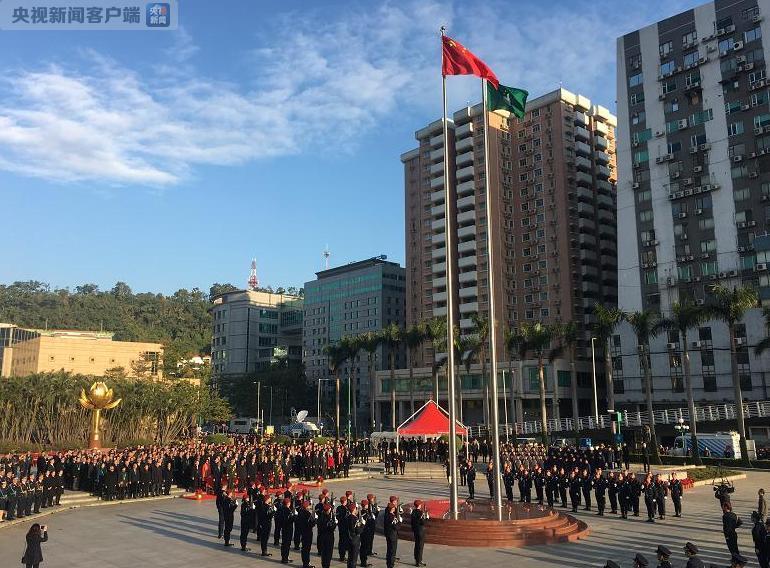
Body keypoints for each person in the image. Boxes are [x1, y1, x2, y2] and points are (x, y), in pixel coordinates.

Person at [297, 500, 316, 568]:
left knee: (304, 549)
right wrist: (314, 520)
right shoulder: (307, 514)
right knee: (307, 549)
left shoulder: (300, 512)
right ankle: (306, 564)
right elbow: (311, 524)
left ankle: (305, 563)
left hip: (303, 532)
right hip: (308, 532)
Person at [317, 501, 337, 568]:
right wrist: (335, 523)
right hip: (328, 538)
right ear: (328, 510)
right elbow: (332, 528)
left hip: (322, 537)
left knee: (324, 554)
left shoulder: (321, 516)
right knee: (328, 554)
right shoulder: (328, 518)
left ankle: (324, 565)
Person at [346, 501, 364, 568]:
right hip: (355, 539)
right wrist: (362, 525)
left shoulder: (347, 517)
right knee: (354, 558)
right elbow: (358, 531)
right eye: (356, 509)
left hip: (349, 538)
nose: (356, 510)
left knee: (350, 557)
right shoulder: (355, 519)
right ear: (353, 510)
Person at [384, 498, 400, 568]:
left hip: (388, 534)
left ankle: (388, 564)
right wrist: (400, 522)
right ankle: (390, 565)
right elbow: (396, 527)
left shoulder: (387, 514)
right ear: (392, 509)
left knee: (389, 550)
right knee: (392, 551)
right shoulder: (391, 516)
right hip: (392, 535)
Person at [411, 500, 427, 568]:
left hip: (415, 531)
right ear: (419, 505)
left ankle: (417, 560)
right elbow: (423, 522)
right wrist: (426, 518)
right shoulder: (420, 513)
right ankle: (419, 561)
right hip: (420, 531)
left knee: (417, 545)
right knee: (420, 546)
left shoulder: (413, 512)